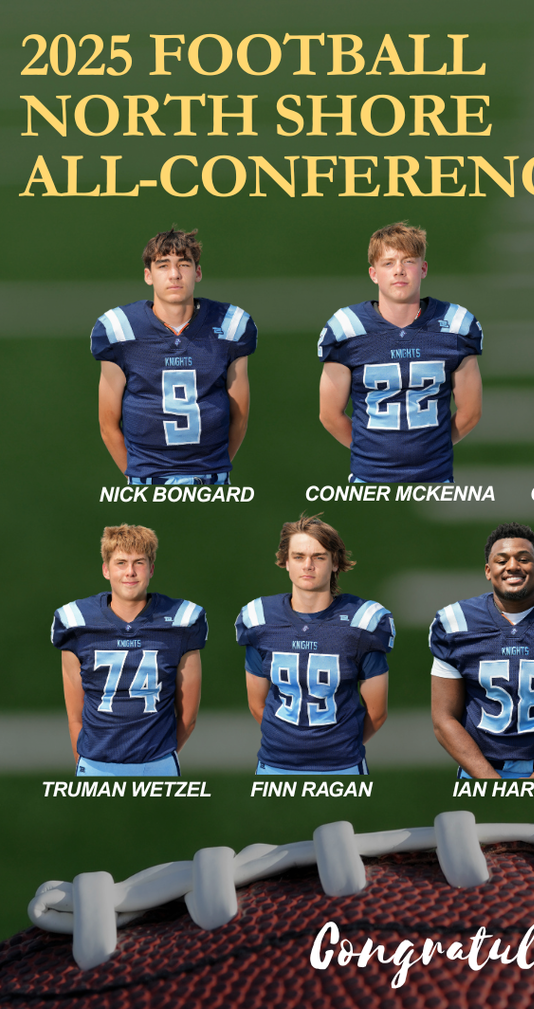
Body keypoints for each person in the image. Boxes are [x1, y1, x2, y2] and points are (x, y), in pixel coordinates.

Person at [430, 522, 534, 779]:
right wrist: (491, 782)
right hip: (478, 772)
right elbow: (443, 720)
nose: (512, 566)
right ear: (488, 571)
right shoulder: (456, 624)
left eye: (523, 559)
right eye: (502, 561)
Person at [318, 222, 483, 482]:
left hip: (435, 478)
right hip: (369, 480)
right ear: (373, 274)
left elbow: (470, 412)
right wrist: (372, 454)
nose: (399, 270)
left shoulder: (455, 325)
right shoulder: (346, 328)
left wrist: (432, 449)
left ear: (423, 269)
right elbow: (329, 415)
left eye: (408, 261)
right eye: (388, 263)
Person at [92, 228, 257, 485]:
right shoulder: (120, 330)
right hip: (147, 479)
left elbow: (240, 419)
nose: (174, 274)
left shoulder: (230, 325)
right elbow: (108, 425)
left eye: (184, 264)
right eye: (163, 265)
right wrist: (138, 477)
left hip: (210, 479)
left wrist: (214, 469)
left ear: (197, 272)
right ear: (148, 276)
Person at [235, 515, 392, 774]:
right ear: (286, 562)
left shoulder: (362, 622)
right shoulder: (260, 618)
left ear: (335, 563)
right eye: (298, 557)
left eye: (318, 557)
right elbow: (256, 705)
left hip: (342, 766)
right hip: (275, 765)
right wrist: (288, 745)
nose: (308, 565)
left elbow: (377, 713)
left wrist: (337, 748)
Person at [51, 525, 205, 776]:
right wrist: (88, 763)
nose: (130, 572)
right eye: (121, 563)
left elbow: (188, 719)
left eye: (139, 563)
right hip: (95, 765)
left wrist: (157, 761)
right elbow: (75, 716)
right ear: (106, 569)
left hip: (157, 765)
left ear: (151, 569)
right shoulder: (76, 622)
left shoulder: (181, 621)